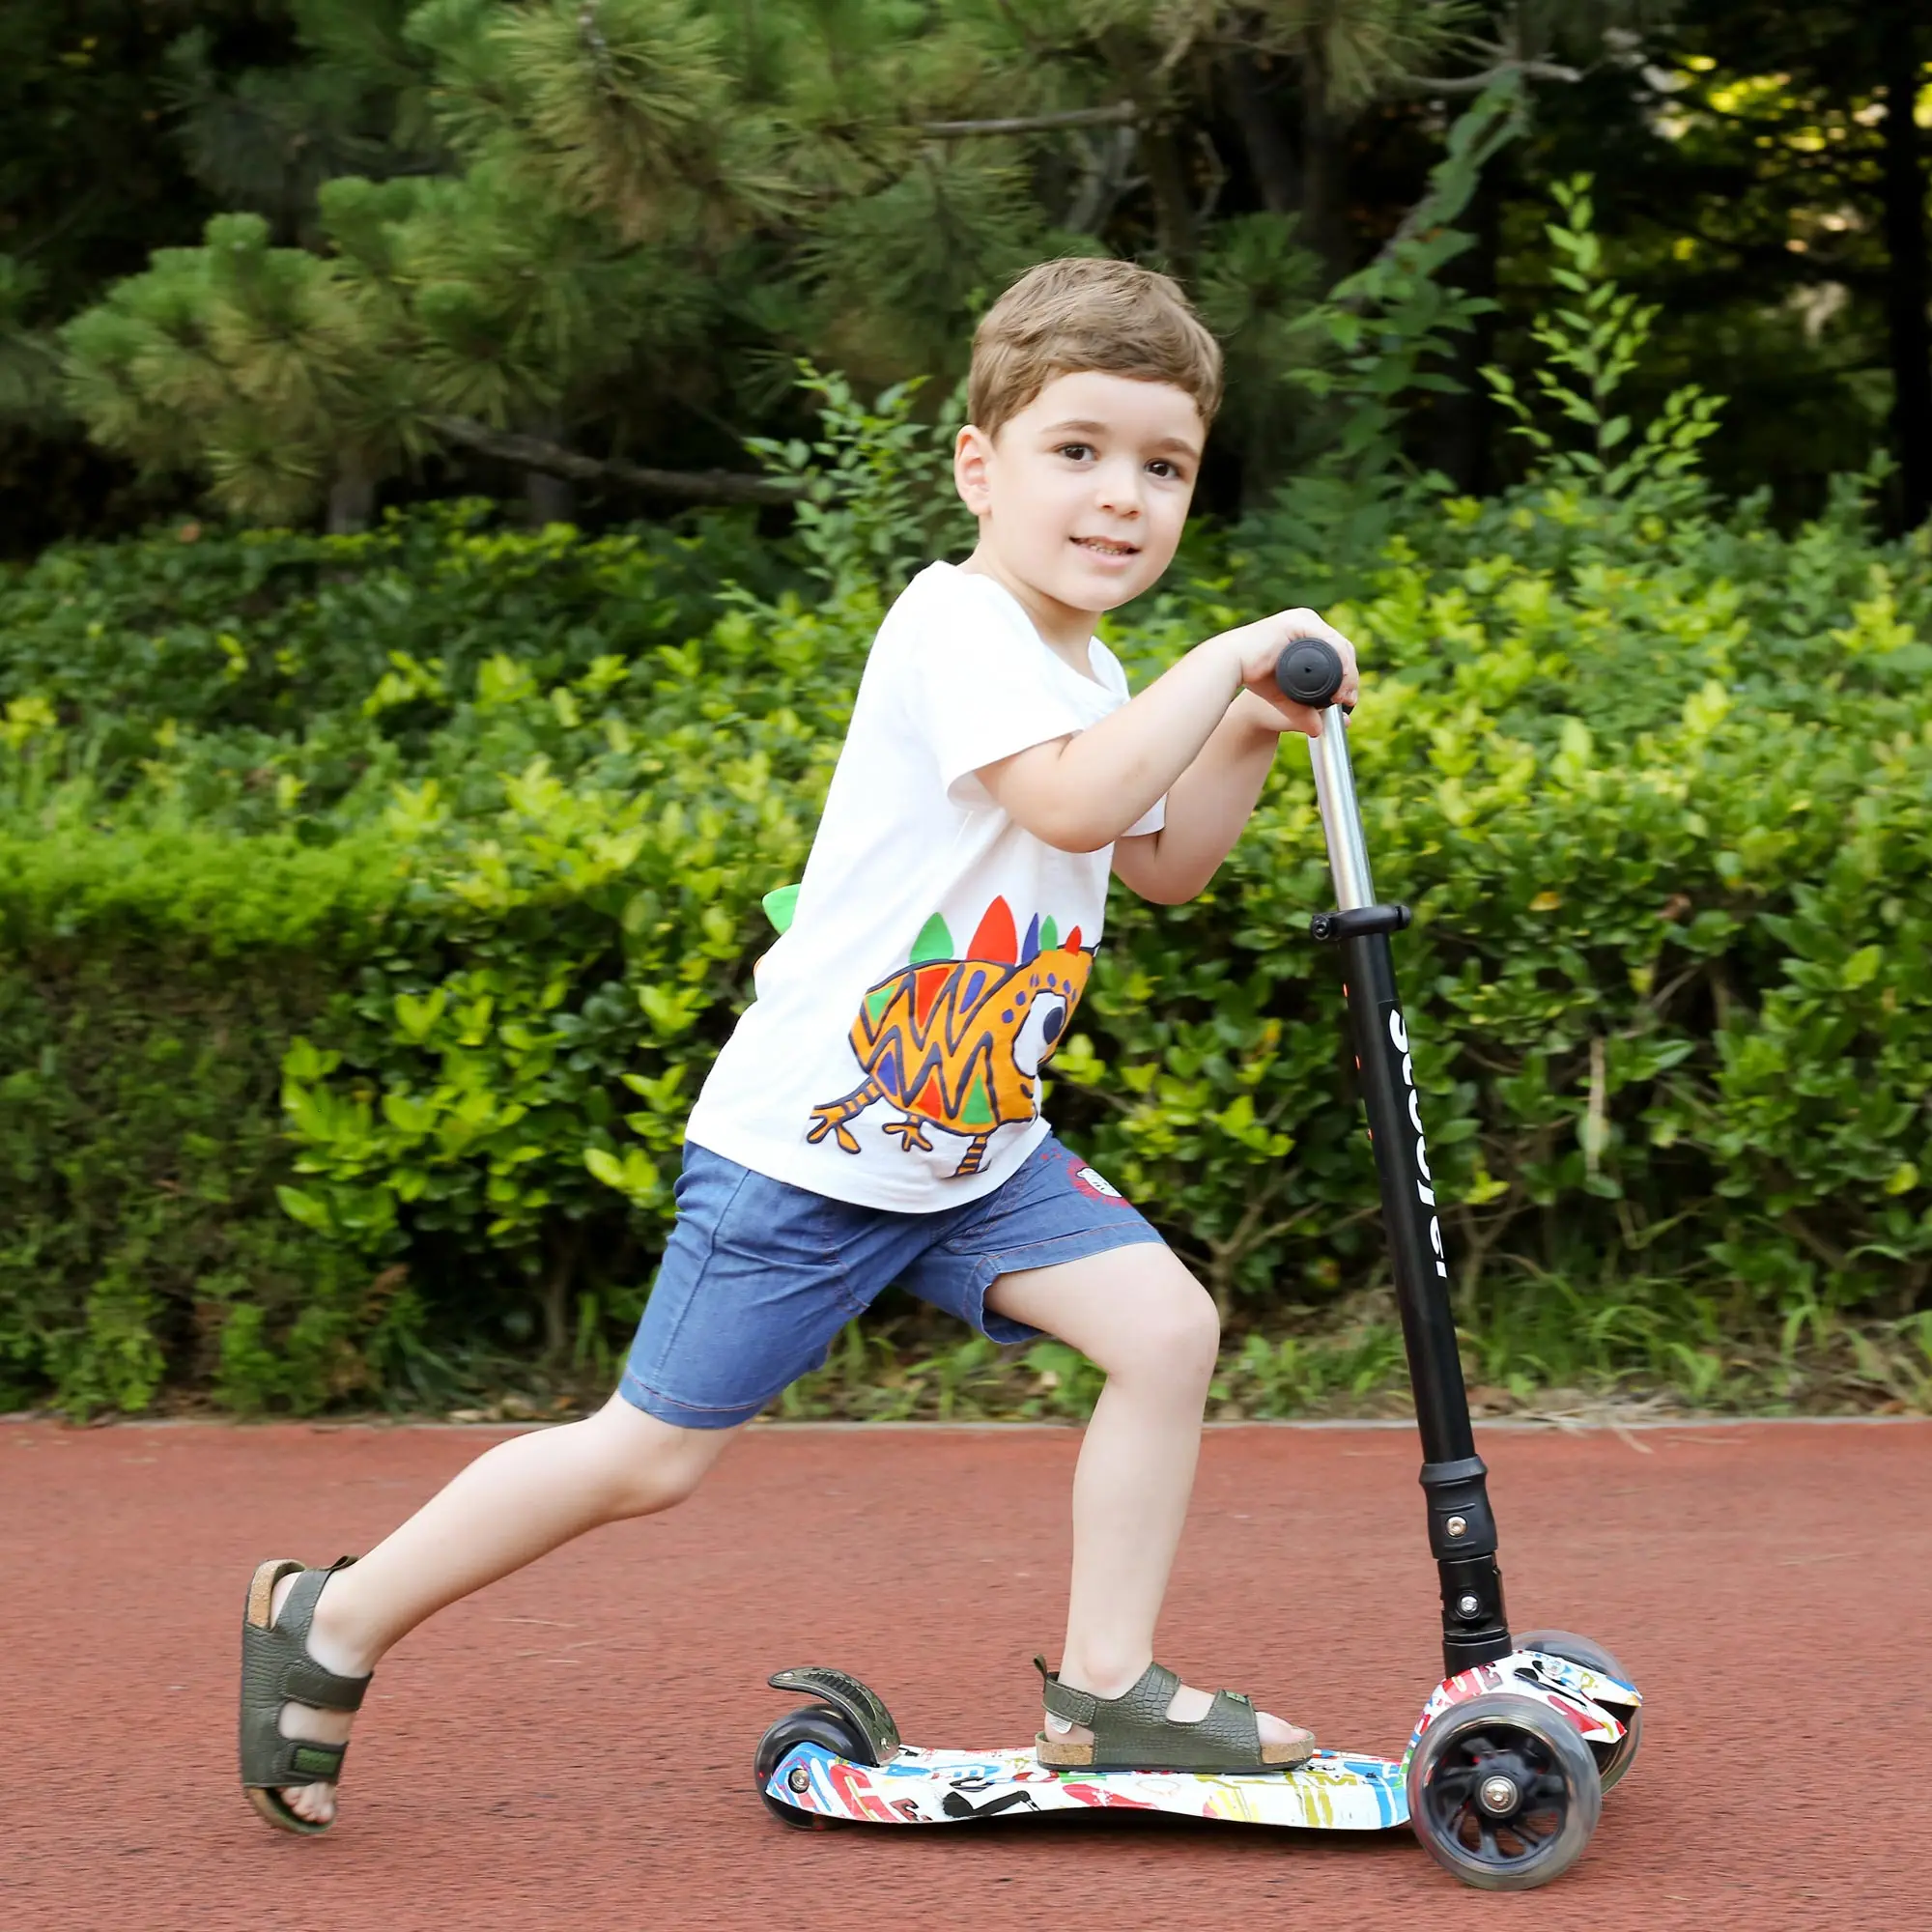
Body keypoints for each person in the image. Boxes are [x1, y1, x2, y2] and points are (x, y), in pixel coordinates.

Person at [239, 256, 1362, 1833]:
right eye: (1080, 452)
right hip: (807, 1154)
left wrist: (1244, 723)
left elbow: (1158, 858)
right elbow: (1073, 804)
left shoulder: (1099, 671)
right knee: (644, 1460)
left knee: (1165, 1333)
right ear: (981, 465)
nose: (1122, 500)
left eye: (1162, 468)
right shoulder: (956, 623)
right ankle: (327, 1622)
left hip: (975, 1149)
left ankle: (1108, 1689)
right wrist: (1218, 661)